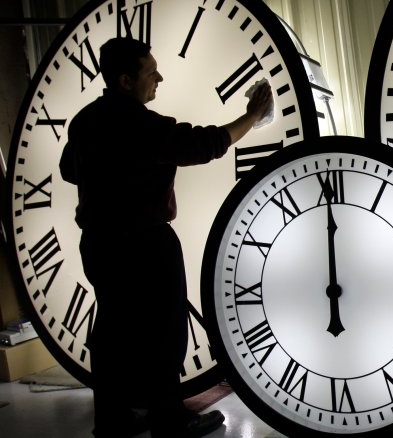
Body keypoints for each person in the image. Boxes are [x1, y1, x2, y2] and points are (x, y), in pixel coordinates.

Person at [59, 36, 272, 438]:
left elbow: (71, 169)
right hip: (146, 243)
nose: (160, 76)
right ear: (125, 80)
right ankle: (169, 419)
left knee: (112, 331)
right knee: (163, 331)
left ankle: (114, 418)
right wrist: (253, 115)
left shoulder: (85, 121)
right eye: (150, 70)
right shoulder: (140, 124)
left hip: (100, 242)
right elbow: (204, 144)